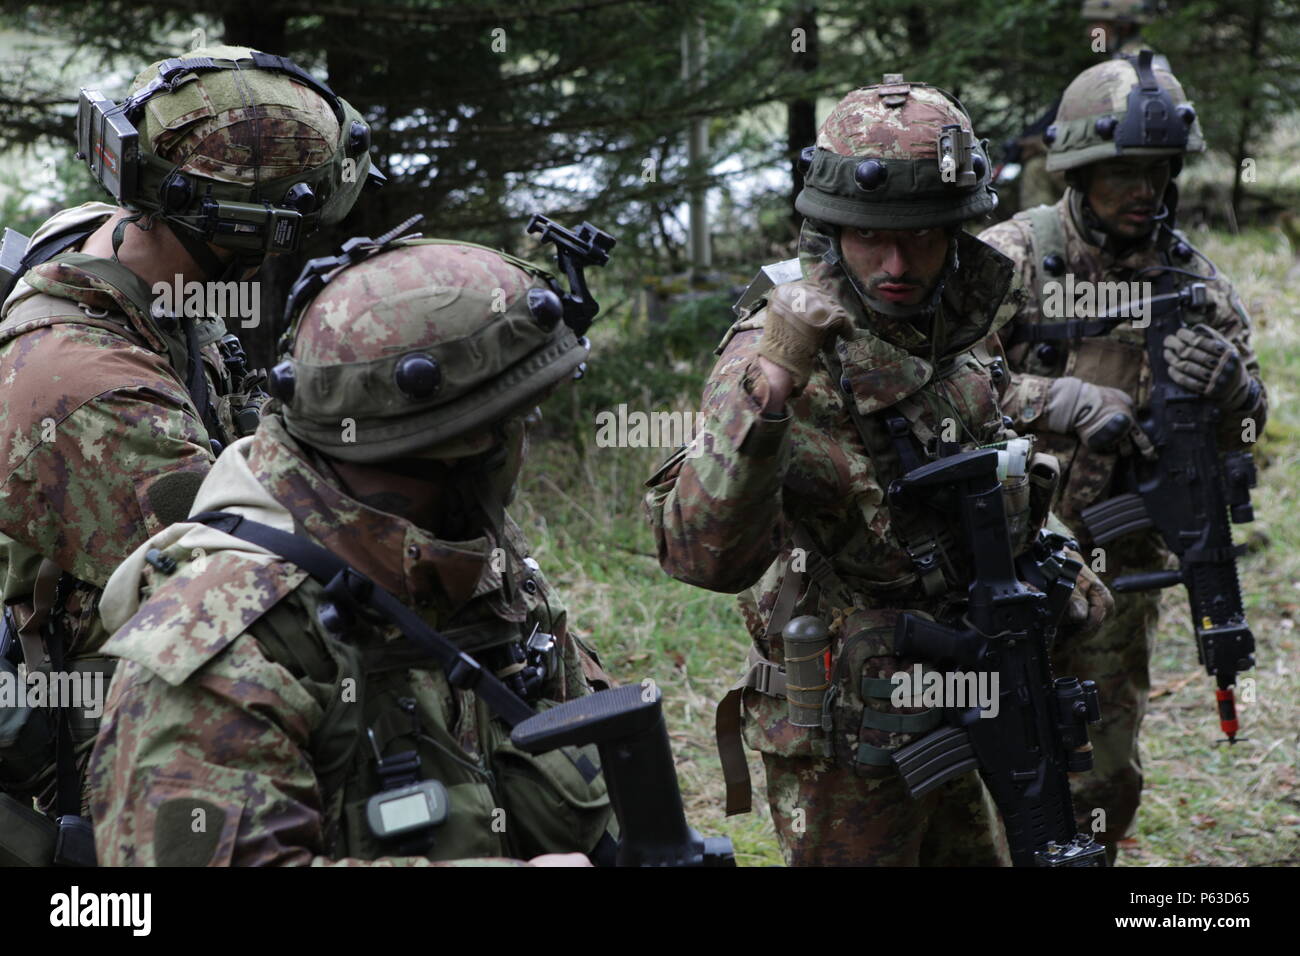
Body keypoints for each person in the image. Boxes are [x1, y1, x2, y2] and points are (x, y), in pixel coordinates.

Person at [645, 76, 1111, 866]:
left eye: (924, 237)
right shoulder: (772, 353)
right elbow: (701, 555)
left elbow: (989, 460)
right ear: (831, 230)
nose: (897, 263)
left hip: (965, 677)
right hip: (848, 725)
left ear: (957, 234)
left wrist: (1056, 561)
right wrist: (771, 392)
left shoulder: (955, 326)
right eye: (871, 239)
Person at [87, 229, 613, 865]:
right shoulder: (219, 643)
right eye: (517, 426)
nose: (524, 449)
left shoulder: (474, 562)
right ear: (469, 450)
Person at [0, 44, 375, 865]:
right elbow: (249, 584)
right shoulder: (87, 392)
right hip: (92, 739)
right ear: (253, 227)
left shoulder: (129, 257)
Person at [979, 53, 1267, 862]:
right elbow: (926, 390)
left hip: (1117, 568)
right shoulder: (1011, 259)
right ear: (1077, 171)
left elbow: (1245, 439)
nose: (1144, 190)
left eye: (1158, 172)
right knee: (990, 766)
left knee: (1102, 779)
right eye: (1123, 172)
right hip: (997, 562)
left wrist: (1236, 394)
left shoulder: (1195, 286)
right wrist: (1051, 403)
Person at [1014, 0, 1168, 212]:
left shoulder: (1121, 68)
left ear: (1121, 27)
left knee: (1037, 170)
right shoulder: (1143, 59)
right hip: (1145, 168)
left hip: (1126, 168)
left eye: (1097, 26)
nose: (1090, 33)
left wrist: (1042, 145)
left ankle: (1039, 239)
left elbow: (1111, 133)